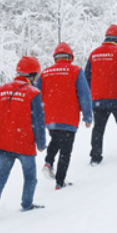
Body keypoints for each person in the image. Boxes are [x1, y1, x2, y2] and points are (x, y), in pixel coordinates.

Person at [0, 56, 47, 224]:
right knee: (30, 176)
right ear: (32, 75)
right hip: (24, 143)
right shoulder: (33, 93)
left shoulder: (2, 89)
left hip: (3, 142)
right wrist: (41, 143)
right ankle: (27, 204)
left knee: (1, 176)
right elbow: (38, 121)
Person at [36, 43, 93, 190]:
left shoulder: (45, 73)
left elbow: (36, 96)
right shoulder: (75, 71)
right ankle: (59, 183)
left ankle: (48, 162)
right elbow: (84, 95)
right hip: (69, 117)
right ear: (70, 57)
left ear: (55, 57)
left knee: (55, 140)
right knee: (66, 150)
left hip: (51, 118)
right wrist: (87, 115)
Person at [85, 24, 117, 166]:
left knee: (98, 128)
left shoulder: (94, 54)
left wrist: (89, 98)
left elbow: (87, 77)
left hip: (98, 99)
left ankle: (95, 157)